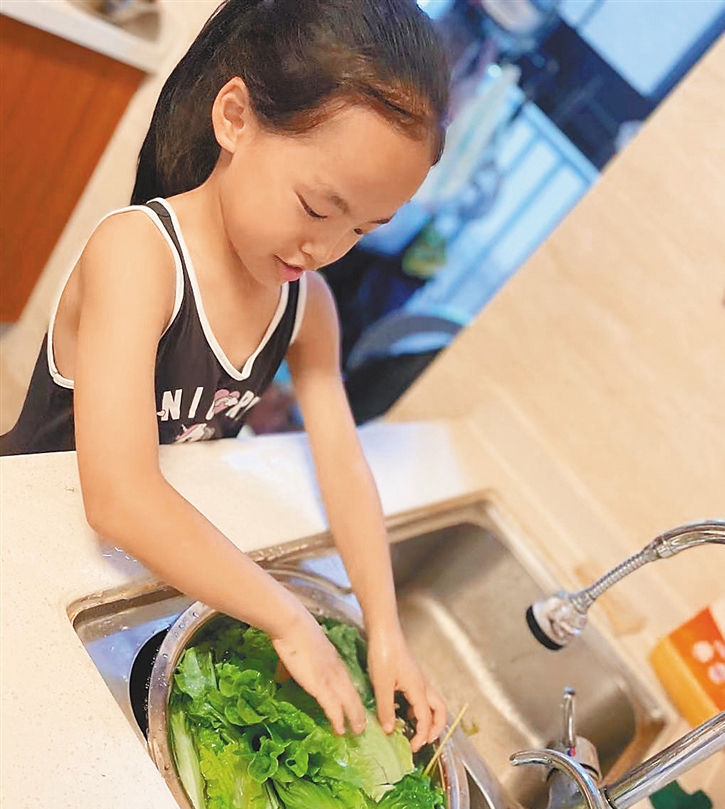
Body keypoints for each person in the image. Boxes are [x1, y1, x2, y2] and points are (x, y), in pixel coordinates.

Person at [1, 0, 450, 750]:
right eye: (318, 208)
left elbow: (344, 464)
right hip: (22, 545)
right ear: (235, 118)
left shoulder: (306, 306)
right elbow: (118, 495)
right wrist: (287, 617)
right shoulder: (140, 255)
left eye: (362, 230)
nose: (326, 250)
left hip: (119, 588)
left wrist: (386, 629)